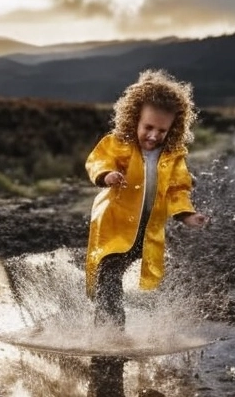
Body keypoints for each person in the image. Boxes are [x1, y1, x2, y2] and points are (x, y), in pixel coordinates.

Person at [84, 69, 209, 329]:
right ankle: (110, 330)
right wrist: (107, 175)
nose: (154, 135)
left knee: (141, 276)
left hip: (148, 230)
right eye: (148, 127)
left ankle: (140, 325)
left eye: (162, 130)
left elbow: (178, 189)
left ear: (173, 128)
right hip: (115, 225)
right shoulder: (118, 143)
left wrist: (187, 214)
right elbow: (99, 160)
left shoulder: (173, 156)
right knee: (109, 275)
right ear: (134, 119)